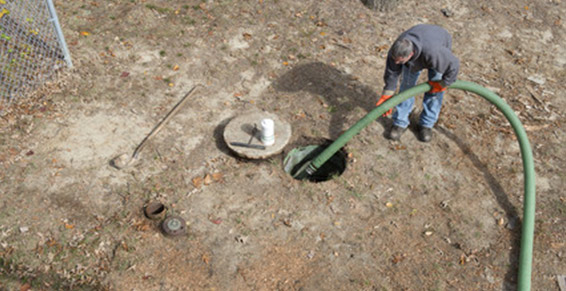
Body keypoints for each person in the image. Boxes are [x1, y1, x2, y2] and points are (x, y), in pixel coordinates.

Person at [376, 24, 460, 142]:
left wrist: (443, 84)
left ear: (410, 54)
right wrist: (388, 92)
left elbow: (454, 65)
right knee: (406, 88)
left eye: (399, 61)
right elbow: (392, 71)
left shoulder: (435, 52)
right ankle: (400, 122)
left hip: (437, 42)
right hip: (421, 44)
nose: (396, 62)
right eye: (395, 59)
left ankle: (427, 124)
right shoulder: (397, 51)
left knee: (435, 91)